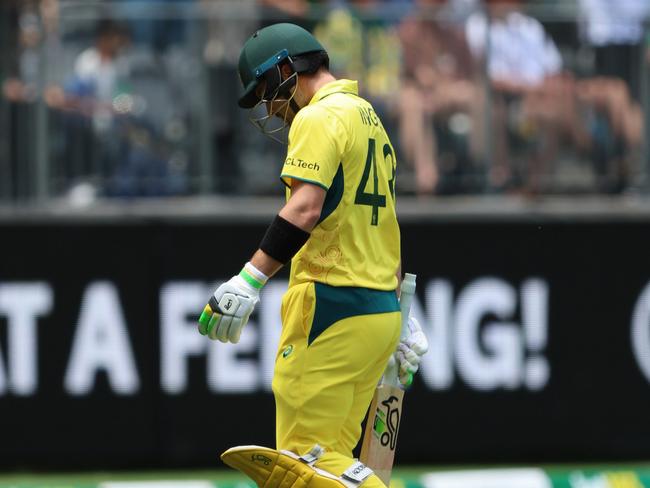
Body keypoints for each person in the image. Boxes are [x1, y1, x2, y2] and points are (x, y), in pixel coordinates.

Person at [197, 23, 428, 488]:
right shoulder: (368, 117)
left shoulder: (318, 118)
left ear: (286, 66)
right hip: (377, 313)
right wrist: (402, 312)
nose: (268, 106)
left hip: (331, 309)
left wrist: (248, 280)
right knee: (334, 458)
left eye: (265, 89)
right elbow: (384, 224)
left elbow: (304, 208)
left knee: (304, 464)